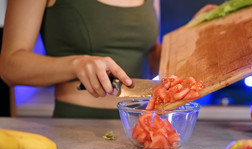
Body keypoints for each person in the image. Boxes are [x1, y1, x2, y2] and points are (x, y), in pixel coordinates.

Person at [0, 0, 216, 119]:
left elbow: (148, 61)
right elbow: (9, 66)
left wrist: (191, 37)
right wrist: (76, 64)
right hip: (77, 126)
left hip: (143, 126)